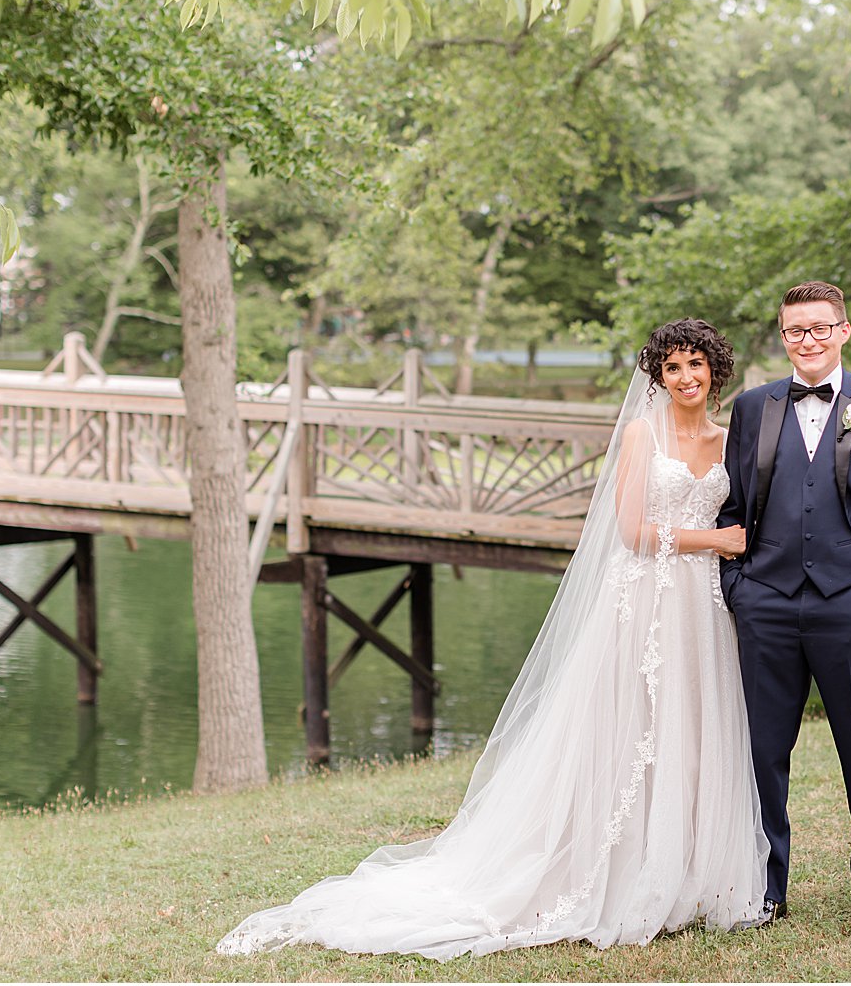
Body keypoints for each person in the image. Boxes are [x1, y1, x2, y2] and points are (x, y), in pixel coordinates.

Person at [217, 319, 767, 961]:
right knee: (632, 734)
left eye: (696, 364)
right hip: (646, 602)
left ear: (716, 369)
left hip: (702, 609)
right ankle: (616, 872)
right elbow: (631, 531)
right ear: (657, 376)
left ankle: (687, 873)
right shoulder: (644, 434)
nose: (686, 378)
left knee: (691, 734)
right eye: (672, 368)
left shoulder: (730, 441)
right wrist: (715, 542)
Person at [718, 281, 851, 937]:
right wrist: (740, 590)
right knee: (760, 753)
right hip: (767, 608)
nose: (806, 341)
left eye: (818, 328)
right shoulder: (752, 407)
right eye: (794, 332)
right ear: (782, 337)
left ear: (843, 330)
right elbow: (730, 511)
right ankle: (764, 885)